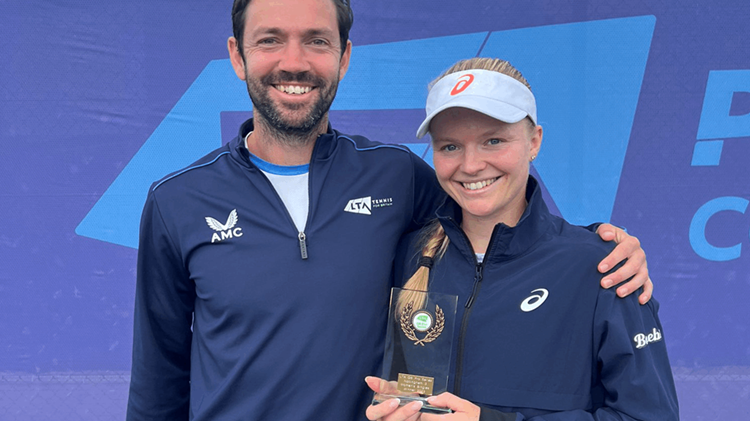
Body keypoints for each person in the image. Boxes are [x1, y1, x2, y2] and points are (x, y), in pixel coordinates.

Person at [126, 1, 653, 420]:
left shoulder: (397, 176)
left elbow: (494, 215)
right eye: (269, 40)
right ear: (238, 56)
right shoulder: (178, 201)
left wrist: (601, 247)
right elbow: (159, 379)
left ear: (344, 57)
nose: (294, 61)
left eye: (317, 41)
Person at [365, 58, 679, 421]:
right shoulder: (408, 256)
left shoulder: (603, 268)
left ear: (534, 142)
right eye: (450, 146)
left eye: (493, 140)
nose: (470, 165)